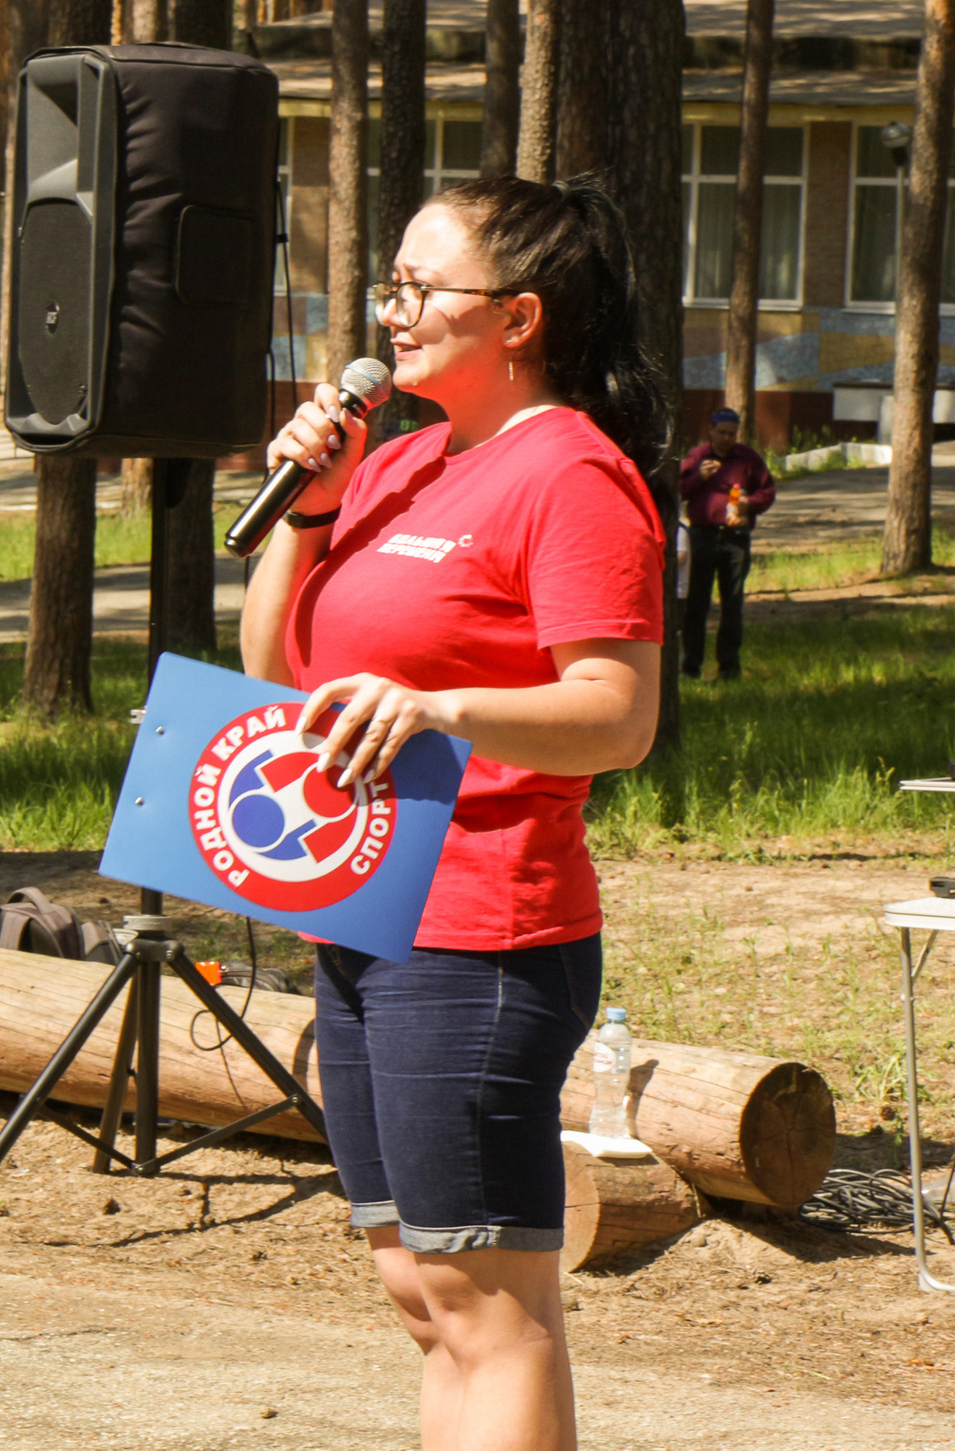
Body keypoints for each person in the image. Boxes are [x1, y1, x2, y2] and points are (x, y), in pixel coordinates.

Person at [238, 175, 665, 1451]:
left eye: (422, 288)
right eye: (391, 286)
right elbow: (278, 669)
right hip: (363, 908)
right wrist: (310, 507)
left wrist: (444, 709)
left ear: (520, 316)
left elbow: (619, 714)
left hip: (482, 930)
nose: (391, 311)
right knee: (423, 1292)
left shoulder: (574, 475)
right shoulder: (401, 460)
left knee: (492, 1301)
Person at [675, 405, 777, 681]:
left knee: (732, 604)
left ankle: (729, 668)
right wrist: (700, 477)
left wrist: (748, 504)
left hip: (735, 540)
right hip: (702, 538)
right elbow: (678, 489)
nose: (726, 438)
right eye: (721, 433)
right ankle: (690, 667)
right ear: (711, 431)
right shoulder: (697, 457)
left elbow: (767, 491)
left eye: (732, 433)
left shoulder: (747, 459)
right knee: (696, 605)